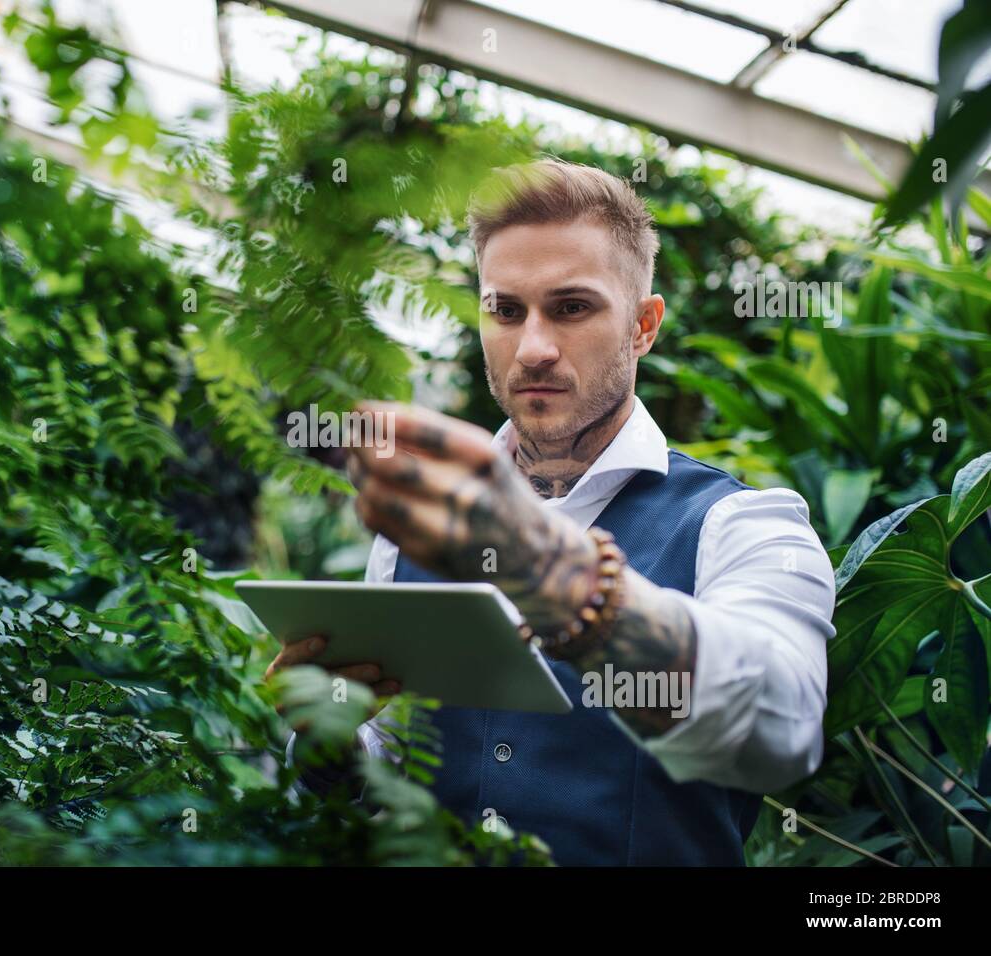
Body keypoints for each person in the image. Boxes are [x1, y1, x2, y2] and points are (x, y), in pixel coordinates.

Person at [266, 158, 835, 865]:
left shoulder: (745, 526)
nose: (532, 349)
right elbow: (381, 771)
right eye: (505, 310)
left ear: (643, 326)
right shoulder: (406, 544)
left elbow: (782, 732)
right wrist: (330, 737)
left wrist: (554, 571)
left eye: (571, 307)